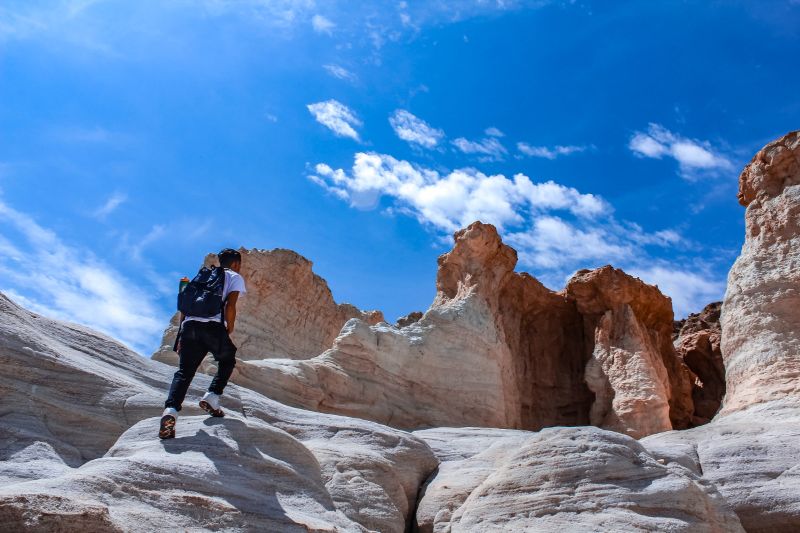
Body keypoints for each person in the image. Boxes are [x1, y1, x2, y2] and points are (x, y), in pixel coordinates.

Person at [159, 248, 247, 439]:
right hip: (213, 326)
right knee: (227, 359)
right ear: (236, 264)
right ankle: (212, 397)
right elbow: (230, 305)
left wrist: (181, 333)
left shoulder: (202, 277)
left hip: (189, 326)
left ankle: (170, 411)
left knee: (184, 372)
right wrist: (228, 327)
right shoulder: (233, 276)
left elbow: (185, 306)